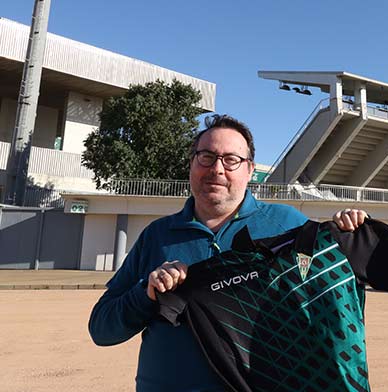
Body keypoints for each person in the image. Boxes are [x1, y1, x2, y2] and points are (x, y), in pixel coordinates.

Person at [89, 114, 368, 391]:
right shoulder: (157, 236)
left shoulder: (288, 226)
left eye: (231, 159)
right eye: (206, 156)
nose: (217, 169)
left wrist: (347, 237)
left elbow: (327, 301)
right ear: (192, 164)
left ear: (249, 170)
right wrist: (146, 293)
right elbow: (102, 329)